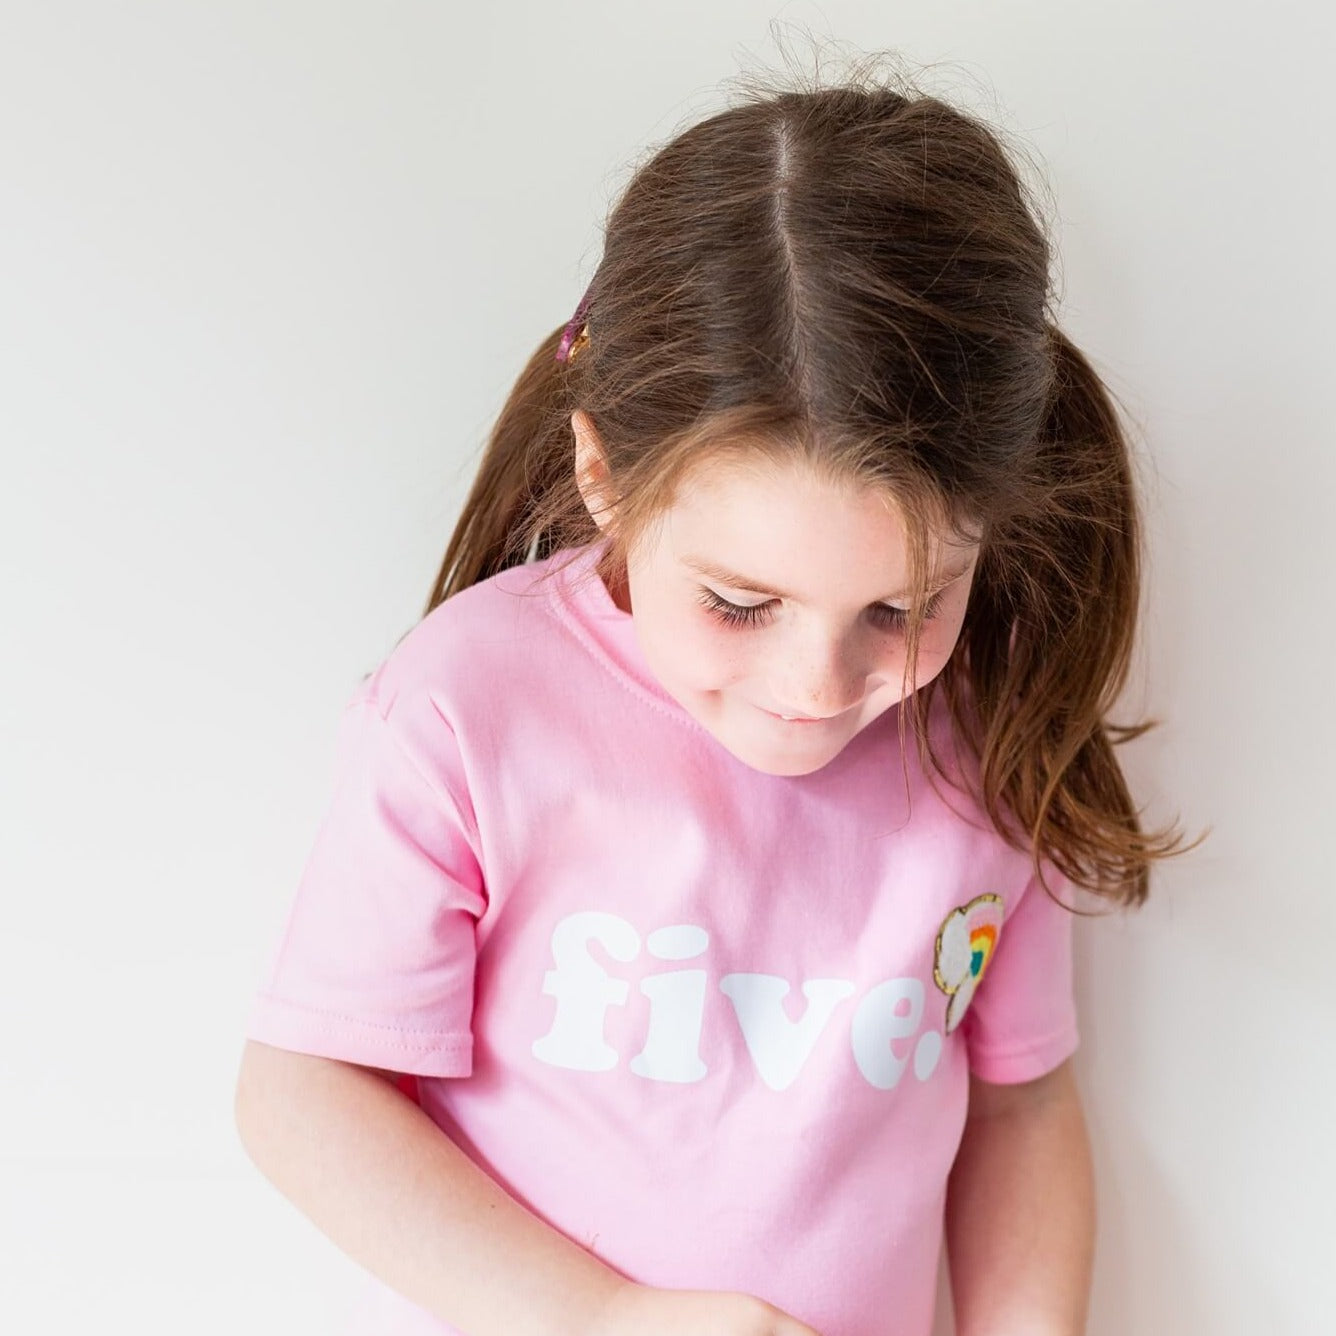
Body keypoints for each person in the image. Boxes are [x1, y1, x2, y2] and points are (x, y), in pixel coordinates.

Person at [233, 64, 1189, 1336]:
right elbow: (303, 1091)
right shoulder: (468, 708)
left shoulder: (989, 731)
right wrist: (609, 1313)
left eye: (901, 610)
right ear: (606, 476)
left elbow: (1018, 1105)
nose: (815, 686)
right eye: (740, 603)